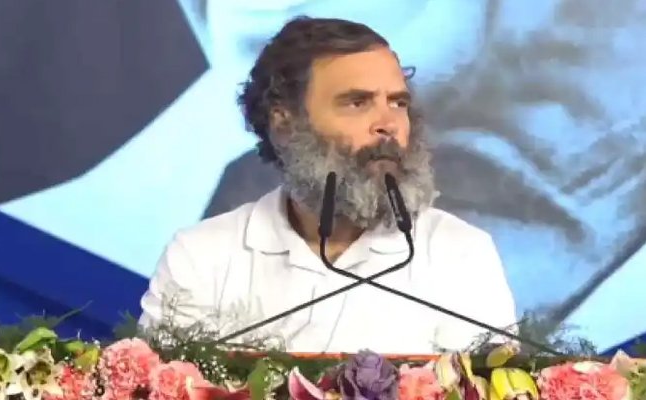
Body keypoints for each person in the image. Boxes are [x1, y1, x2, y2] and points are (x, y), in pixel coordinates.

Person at [139, 16, 517, 354]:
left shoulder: (462, 254)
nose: (388, 124)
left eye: (398, 103)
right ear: (284, 124)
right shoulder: (201, 256)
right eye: (357, 103)